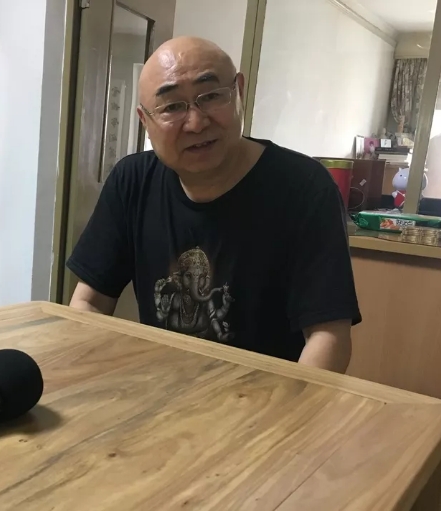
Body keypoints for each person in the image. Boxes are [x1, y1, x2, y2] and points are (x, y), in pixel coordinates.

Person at [67, 36, 360, 373]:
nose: (196, 123)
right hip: (156, 388)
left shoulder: (305, 188)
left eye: (210, 96)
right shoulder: (132, 181)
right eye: (171, 107)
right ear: (145, 122)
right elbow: (89, 303)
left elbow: (328, 338)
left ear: (239, 92)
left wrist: (286, 407)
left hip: (266, 396)